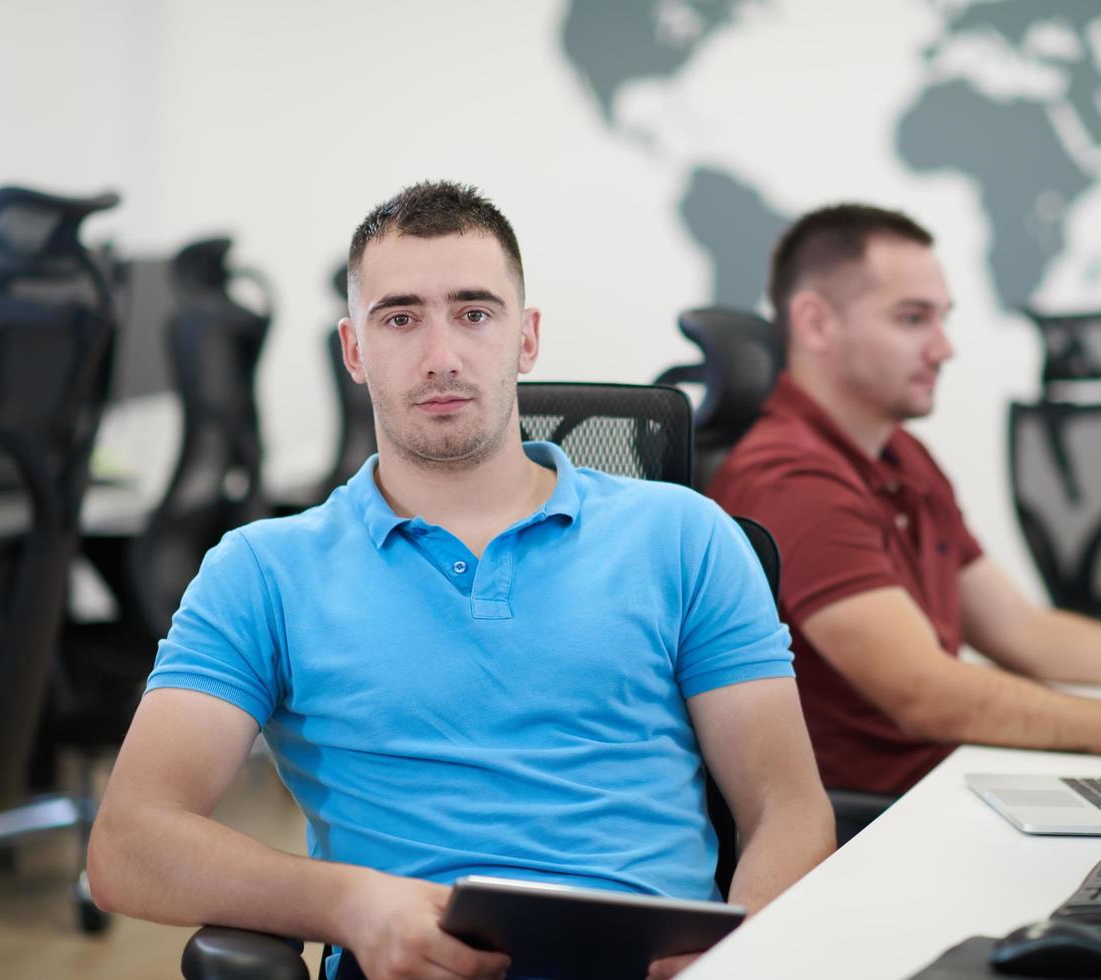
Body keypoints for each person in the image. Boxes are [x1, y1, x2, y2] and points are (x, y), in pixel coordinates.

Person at [88, 181, 834, 980]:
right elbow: (132, 843)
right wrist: (350, 904)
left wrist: (739, 955)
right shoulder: (263, 570)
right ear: (353, 350)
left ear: (527, 337)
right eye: (400, 318)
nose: (441, 355)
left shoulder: (685, 536)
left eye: (475, 313)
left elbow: (787, 808)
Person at [707, 203, 1101, 801]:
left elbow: (1026, 633)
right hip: (888, 825)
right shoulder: (792, 481)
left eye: (942, 319)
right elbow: (924, 693)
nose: (943, 349)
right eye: (912, 319)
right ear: (815, 323)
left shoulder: (899, 454)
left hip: (953, 778)